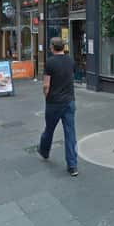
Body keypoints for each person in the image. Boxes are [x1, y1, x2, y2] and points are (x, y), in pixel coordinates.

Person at [37, 37, 78, 176]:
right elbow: (71, 76)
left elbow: (46, 85)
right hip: (69, 102)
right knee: (70, 134)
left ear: (52, 47)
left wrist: (46, 97)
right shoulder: (70, 60)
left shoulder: (50, 62)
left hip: (54, 103)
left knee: (49, 130)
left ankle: (44, 151)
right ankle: (72, 166)